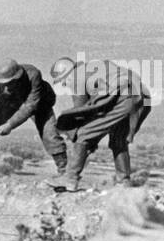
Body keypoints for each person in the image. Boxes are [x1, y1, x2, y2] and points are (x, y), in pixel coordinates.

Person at [49, 57, 153, 192]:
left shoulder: (76, 77)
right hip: (142, 97)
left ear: (67, 75)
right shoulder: (93, 69)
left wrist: (77, 136)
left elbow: (81, 112)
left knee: (84, 134)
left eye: (63, 82)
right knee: (119, 140)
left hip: (122, 95)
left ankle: (70, 178)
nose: (64, 85)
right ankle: (124, 183)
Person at [0, 59, 67, 181]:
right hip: (10, 100)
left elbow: (30, 106)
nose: (6, 85)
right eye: (4, 83)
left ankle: (65, 172)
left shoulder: (33, 75)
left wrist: (10, 124)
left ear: (17, 77)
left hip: (40, 102)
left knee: (50, 135)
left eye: (9, 82)